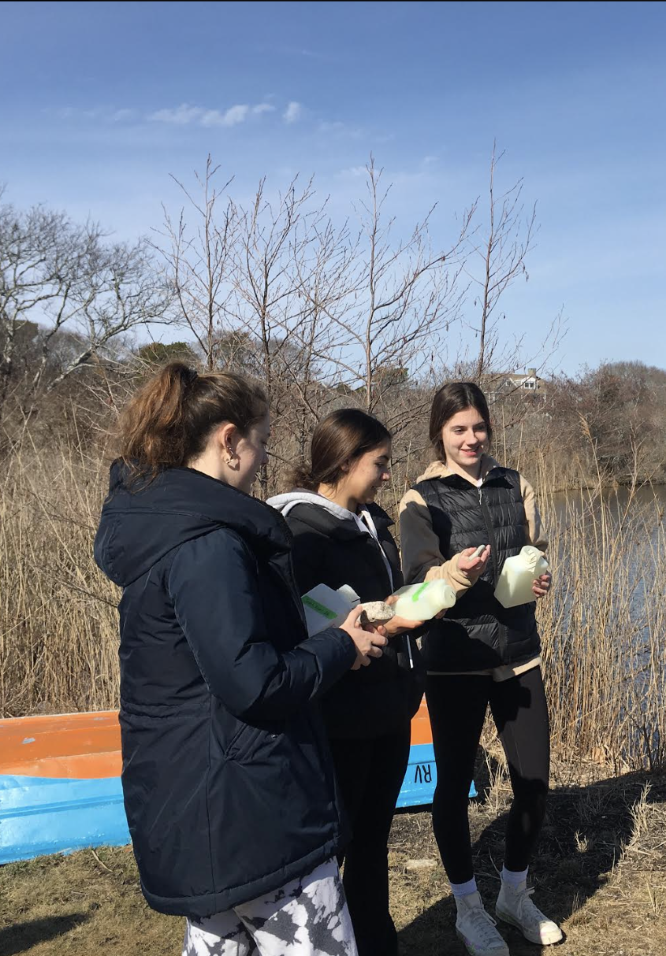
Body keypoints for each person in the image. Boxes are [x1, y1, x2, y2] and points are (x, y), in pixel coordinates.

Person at [94, 362, 387, 956]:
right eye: (261, 443)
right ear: (229, 440)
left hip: (201, 809)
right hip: (253, 816)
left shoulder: (170, 528)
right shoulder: (208, 543)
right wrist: (341, 645)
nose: (262, 461)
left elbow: (212, 664)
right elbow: (253, 682)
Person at [398, 382, 562, 956]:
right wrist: (453, 573)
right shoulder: (419, 498)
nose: (471, 439)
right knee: (452, 786)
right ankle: (468, 904)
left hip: (519, 652)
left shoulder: (516, 483)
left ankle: (514, 893)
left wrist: (541, 579)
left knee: (534, 783)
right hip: (455, 662)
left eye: (479, 427)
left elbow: (534, 550)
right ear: (439, 434)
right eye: (458, 429)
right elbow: (418, 578)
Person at [268, 409, 425, 956]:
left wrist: (440, 588)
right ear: (344, 461)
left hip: (389, 708)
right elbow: (306, 627)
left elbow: (383, 602)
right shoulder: (298, 531)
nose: (387, 474)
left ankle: (376, 942)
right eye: (379, 463)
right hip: (342, 718)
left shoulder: (372, 520)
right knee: (334, 849)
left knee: (372, 845)